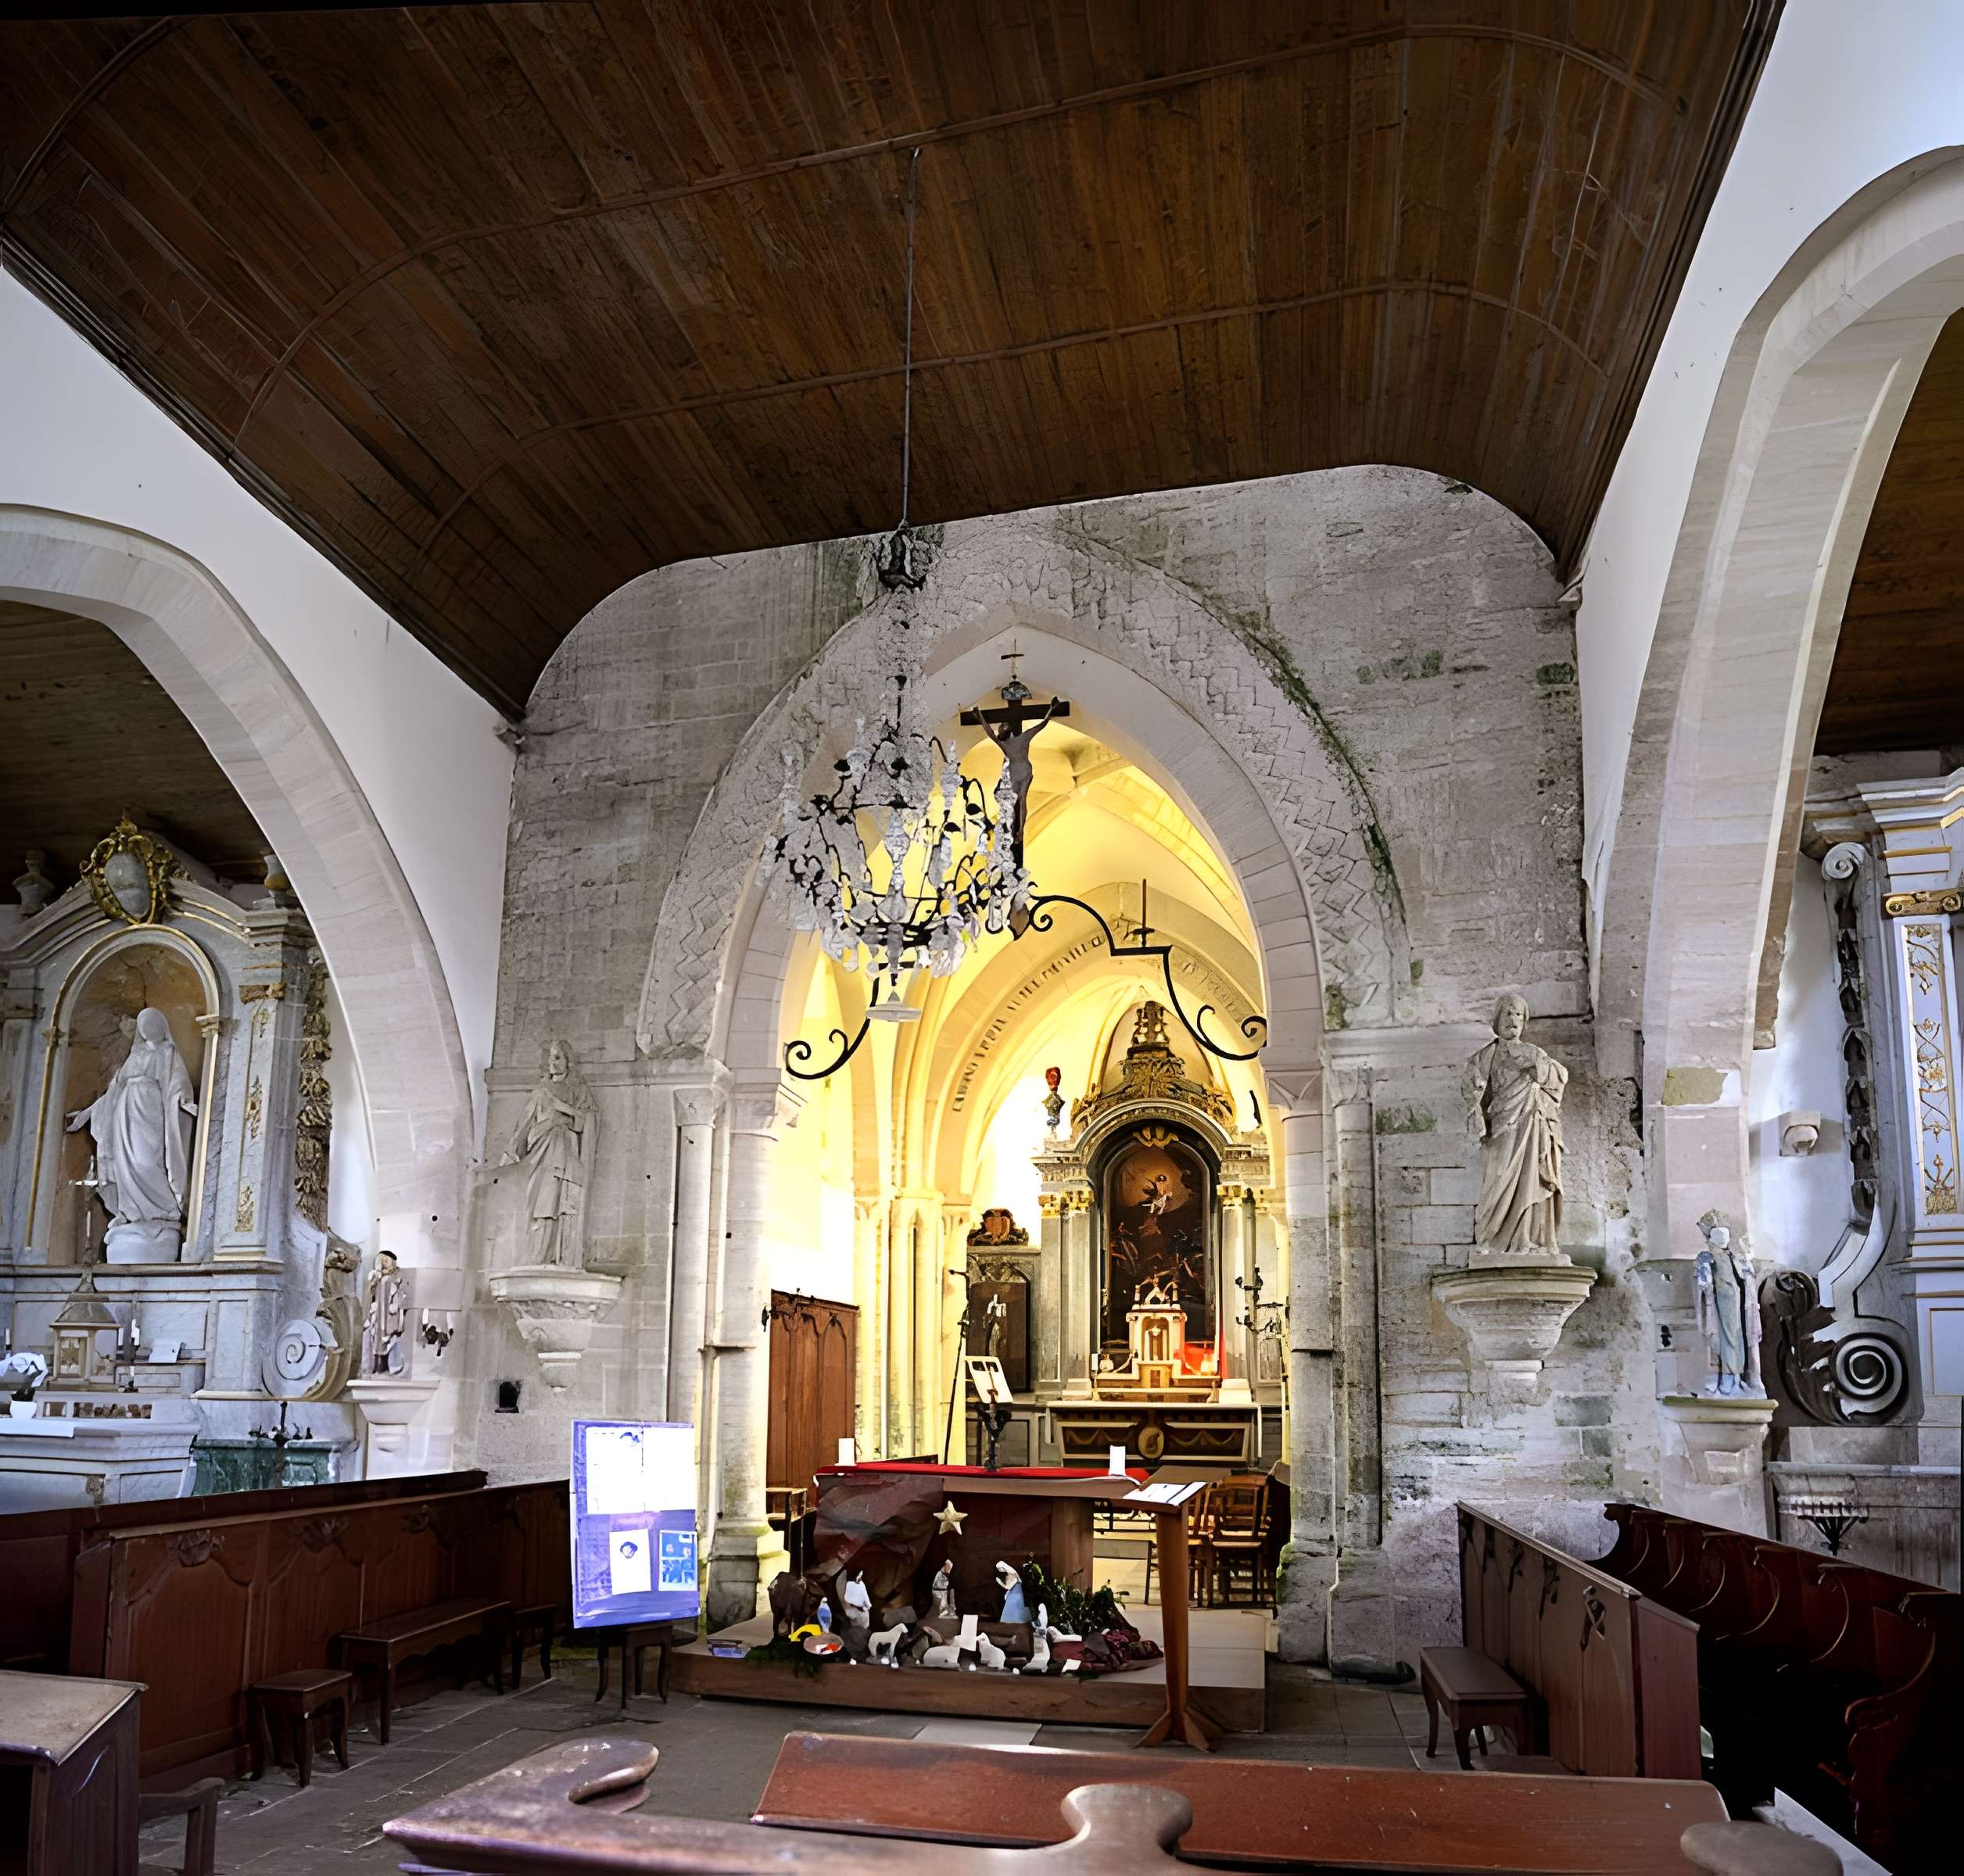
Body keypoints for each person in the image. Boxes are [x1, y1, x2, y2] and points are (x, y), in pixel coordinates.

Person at [66, 1007, 197, 1259]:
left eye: (152, 1024)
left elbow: (178, 1084)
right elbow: (112, 1092)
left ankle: (164, 1210)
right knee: (126, 1167)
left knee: (147, 1162)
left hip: (152, 1114)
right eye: (144, 1025)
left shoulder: (167, 1053)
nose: (148, 1030)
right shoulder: (134, 1057)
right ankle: (131, 1211)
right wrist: (86, 1114)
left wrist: (183, 1101)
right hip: (126, 1117)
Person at [1460, 993, 1568, 1256]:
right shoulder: (1482, 1057)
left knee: (1532, 1176)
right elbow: (1471, 1089)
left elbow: (1558, 1077)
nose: (1513, 1019)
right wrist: (1475, 1091)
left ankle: (1529, 1239)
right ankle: (1491, 1238)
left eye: (1519, 1014)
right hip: (1500, 1128)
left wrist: (1537, 1066)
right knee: (1496, 1179)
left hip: (1531, 1124)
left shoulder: (1534, 1053)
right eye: (1508, 1013)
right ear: (1497, 1019)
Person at [504, 1038, 595, 1266]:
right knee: (536, 1202)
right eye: (550, 1058)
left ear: (568, 1061)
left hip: (563, 1151)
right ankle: (535, 1256)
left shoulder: (578, 1090)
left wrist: (563, 1109)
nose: (553, 1063)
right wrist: (512, 1151)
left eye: (558, 1057)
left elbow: (587, 1121)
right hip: (540, 1150)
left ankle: (558, 1255)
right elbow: (524, 1125)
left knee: (558, 1202)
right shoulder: (541, 1092)